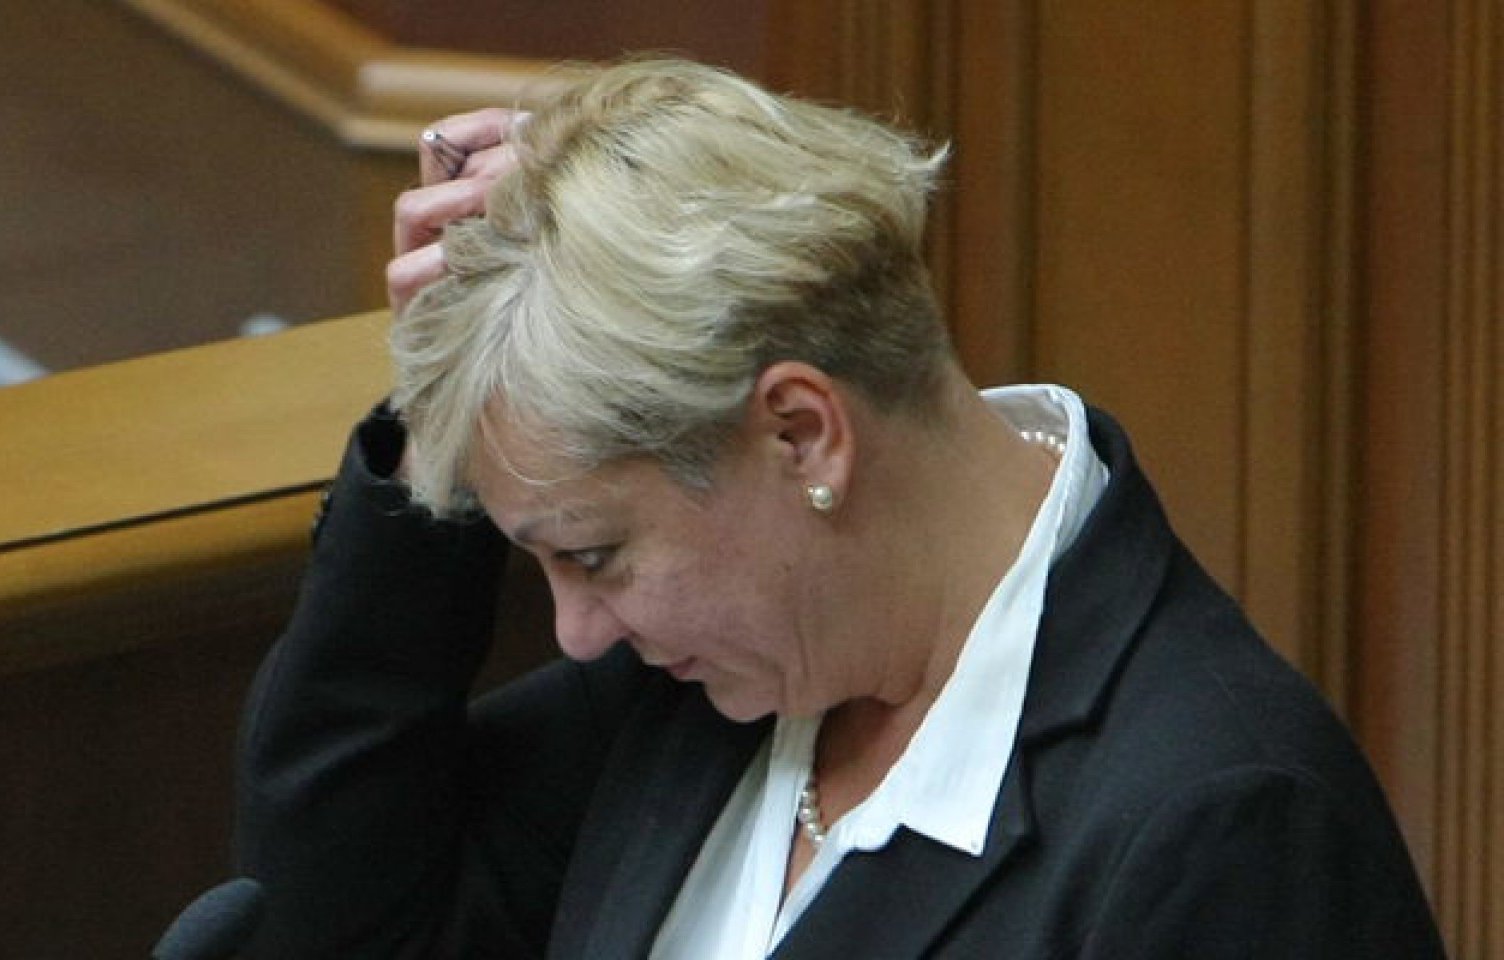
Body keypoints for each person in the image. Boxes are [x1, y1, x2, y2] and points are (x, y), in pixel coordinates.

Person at [234, 58, 1445, 958]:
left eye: (595, 554)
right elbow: (340, 918)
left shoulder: (1221, 827)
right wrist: (461, 398)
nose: (576, 633)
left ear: (800, 432)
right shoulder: (706, 682)